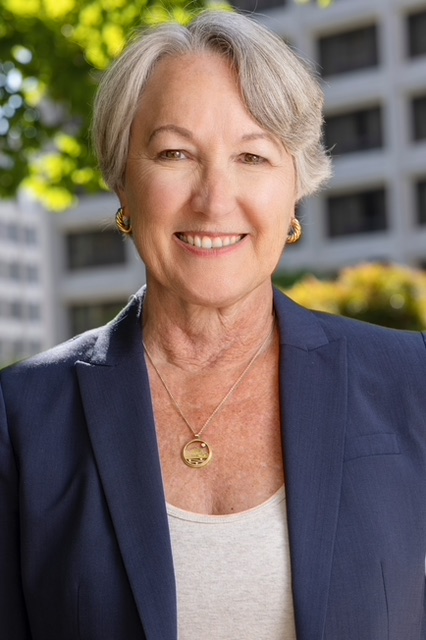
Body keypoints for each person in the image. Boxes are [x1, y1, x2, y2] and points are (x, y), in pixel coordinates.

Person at [1, 10, 426, 640]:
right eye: (174, 153)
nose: (213, 198)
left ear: (296, 191)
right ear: (123, 180)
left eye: (252, 156)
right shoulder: (21, 416)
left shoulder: (411, 378)